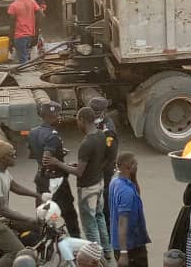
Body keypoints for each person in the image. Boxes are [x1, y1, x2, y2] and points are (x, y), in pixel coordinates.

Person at [44, 107, 112, 262]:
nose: (77, 124)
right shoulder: (101, 135)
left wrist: (57, 162)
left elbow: (79, 173)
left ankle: (96, 257)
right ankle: (107, 251)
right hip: (99, 183)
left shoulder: (86, 143)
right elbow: (101, 160)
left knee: (90, 225)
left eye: (77, 121)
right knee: (99, 217)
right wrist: (82, 165)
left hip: (88, 188)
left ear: (82, 120)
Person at [29, 101, 81, 238]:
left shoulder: (33, 132)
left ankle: (43, 237)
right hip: (55, 180)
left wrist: (59, 153)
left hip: (41, 177)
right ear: (52, 116)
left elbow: (37, 155)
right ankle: (75, 240)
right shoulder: (52, 135)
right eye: (58, 115)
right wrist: (61, 163)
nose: (60, 118)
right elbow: (47, 159)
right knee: (67, 212)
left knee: (43, 210)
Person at [0, 140, 39, 258]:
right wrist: (27, 218)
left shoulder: (3, 171)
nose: (15, 157)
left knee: (39, 226)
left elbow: (14, 186)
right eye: (12, 155)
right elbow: (3, 210)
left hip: (4, 218)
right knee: (20, 254)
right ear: (2, 158)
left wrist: (37, 195)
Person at [111, 152, 150, 267]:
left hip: (123, 244)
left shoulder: (116, 182)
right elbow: (122, 223)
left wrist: (134, 177)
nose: (137, 166)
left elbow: (137, 193)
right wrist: (124, 254)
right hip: (130, 247)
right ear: (129, 166)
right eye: (136, 164)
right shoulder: (126, 192)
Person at [89, 97, 119, 237]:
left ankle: (108, 230)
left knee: (104, 200)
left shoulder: (108, 131)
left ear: (104, 112)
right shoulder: (97, 125)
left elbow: (110, 156)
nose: (94, 115)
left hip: (104, 172)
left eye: (97, 112)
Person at [8, 0, 42, 64]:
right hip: (31, 35)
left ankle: (27, 74)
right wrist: (36, 33)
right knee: (27, 57)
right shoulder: (32, 1)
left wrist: (10, 41)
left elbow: (12, 25)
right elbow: (40, 15)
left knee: (23, 61)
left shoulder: (13, 5)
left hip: (19, 36)